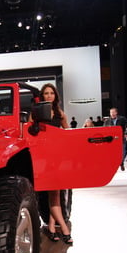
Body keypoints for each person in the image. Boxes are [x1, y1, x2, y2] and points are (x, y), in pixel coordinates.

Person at [39, 83, 73, 244]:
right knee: (53, 194)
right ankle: (64, 229)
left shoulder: (60, 114)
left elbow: (67, 135)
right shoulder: (37, 113)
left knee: (56, 194)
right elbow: (30, 132)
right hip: (43, 158)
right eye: (46, 93)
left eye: (51, 93)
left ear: (55, 96)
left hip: (58, 157)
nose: (49, 95)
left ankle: (51, 227)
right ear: (42, 95)